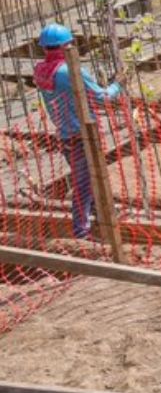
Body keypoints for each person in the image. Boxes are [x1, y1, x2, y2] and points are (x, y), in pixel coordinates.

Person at [32, 22, 119, 239]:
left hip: (64, 134)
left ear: (45, 48)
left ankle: (101, 214)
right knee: (85, 183)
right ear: (67, 46)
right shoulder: (70, 70)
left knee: (91, 178)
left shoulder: (40, 71)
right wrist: (118, 84)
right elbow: (102, 97)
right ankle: (81, 232)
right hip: (83, 135)